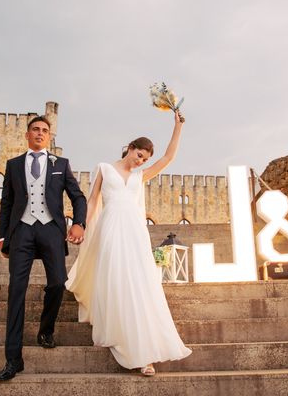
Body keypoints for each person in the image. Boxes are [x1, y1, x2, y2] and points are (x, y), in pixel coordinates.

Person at [66, 110, 191, 376]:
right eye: (139, 155)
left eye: (145, 159)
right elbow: (92, 201)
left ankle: (143, 353)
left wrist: (177, 127)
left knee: (138, 284)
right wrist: (84, 227)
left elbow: (169, 158)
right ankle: (121, 333)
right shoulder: (104, 168)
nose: (140, 161)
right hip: (110, 229)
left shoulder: (139, 176)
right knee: (115, 279)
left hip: (135, 233)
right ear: (131, 148)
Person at [0, 115, 87, 381]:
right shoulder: (13, 165)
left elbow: (78, 196)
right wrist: (3, 238)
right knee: (16, 291)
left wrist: (78, 223)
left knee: (58, 282)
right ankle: (13, 359)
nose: (39, 133)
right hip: (22, 230)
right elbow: (6, 203)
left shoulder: (61, 164)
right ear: (27, 135)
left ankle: (45, 329)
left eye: (44, 130)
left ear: (49, 136)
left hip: (51, 229)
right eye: (35, 129)